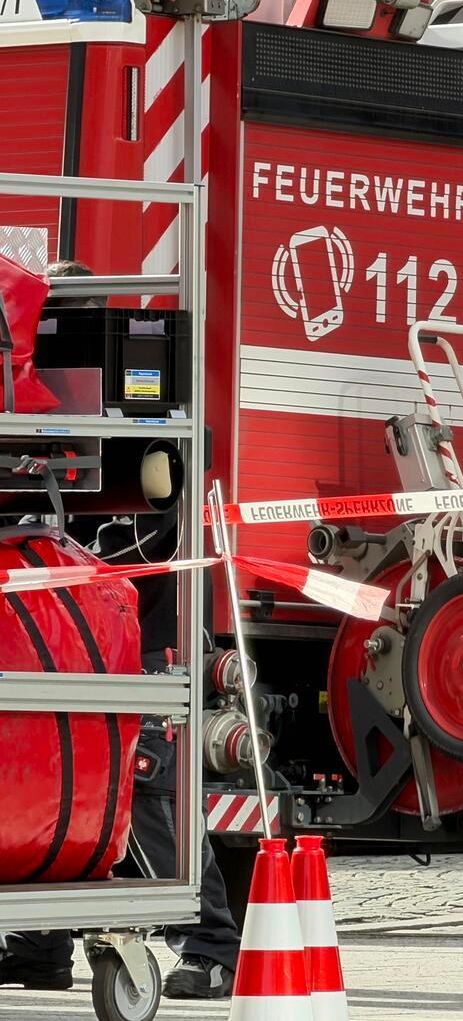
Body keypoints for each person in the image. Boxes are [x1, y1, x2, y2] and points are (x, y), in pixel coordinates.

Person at [0, 260, 241, 999]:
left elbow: (160, 522)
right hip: (79, 621)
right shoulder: (34, 412)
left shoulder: (143, 416)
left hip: (146, 619)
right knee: (53, 770)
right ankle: (41, 949)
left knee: (153, 785)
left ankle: (214, 946)